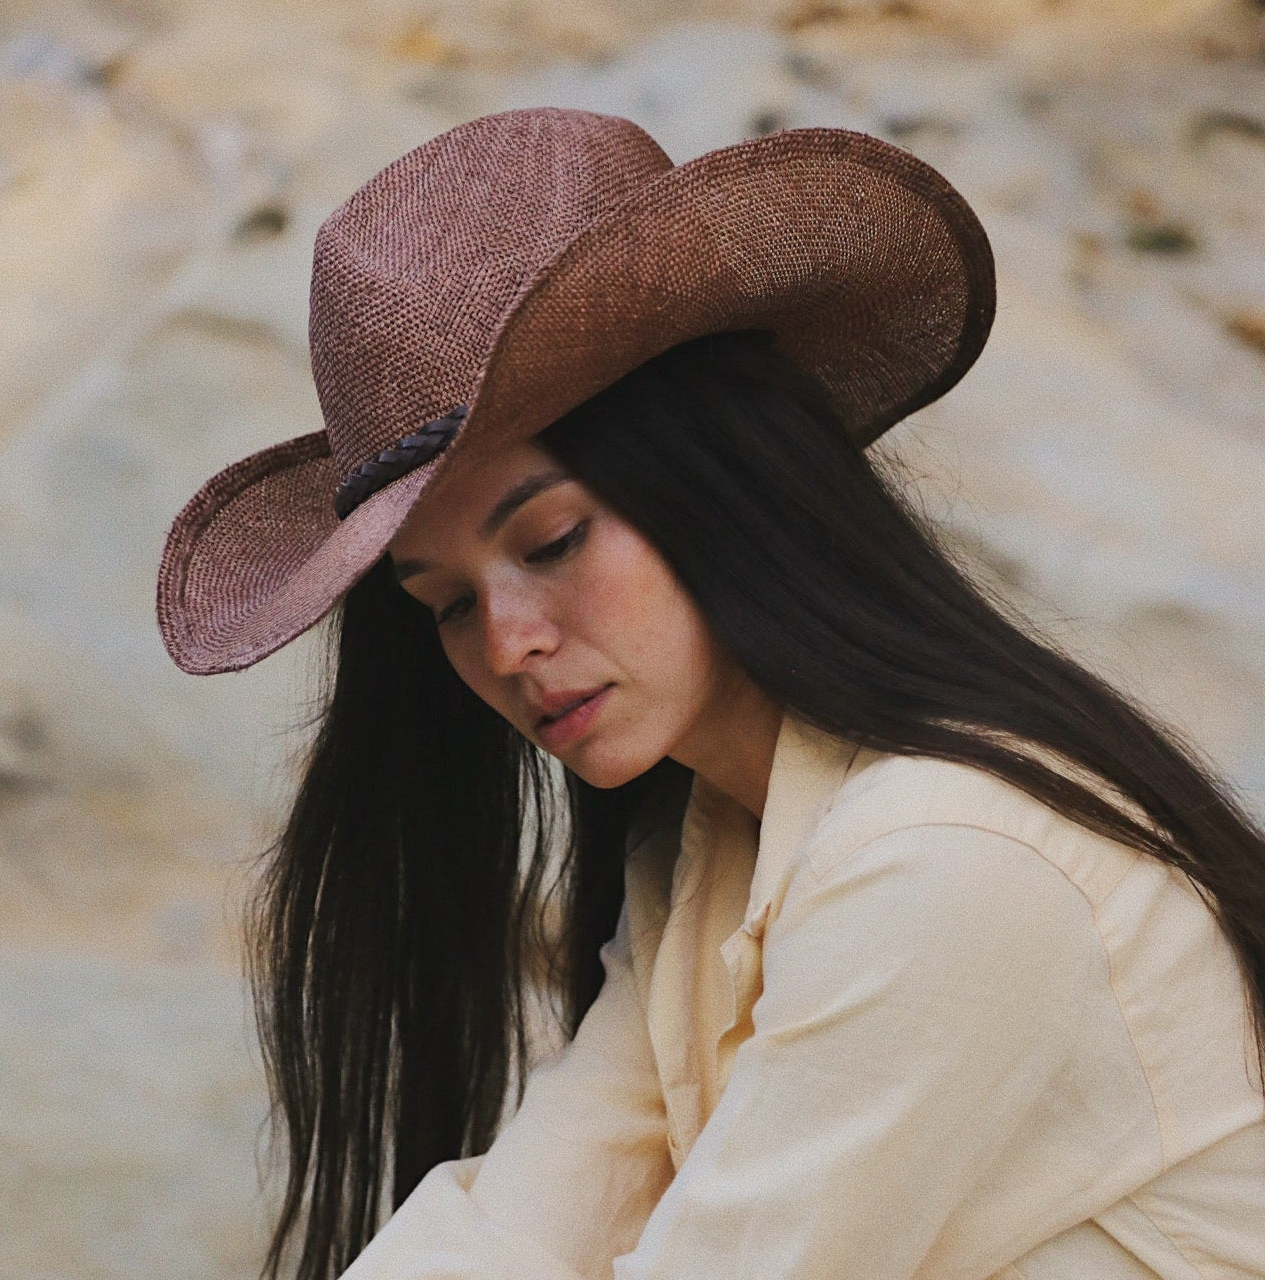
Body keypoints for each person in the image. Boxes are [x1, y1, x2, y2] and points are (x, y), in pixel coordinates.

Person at [156, 108, 1265, 1280]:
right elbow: (525, 1226)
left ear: (714, 480)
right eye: (445, 602)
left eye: (551, 539)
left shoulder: (946, 856)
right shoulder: (709, 856)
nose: (508, 643)